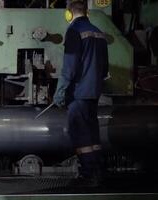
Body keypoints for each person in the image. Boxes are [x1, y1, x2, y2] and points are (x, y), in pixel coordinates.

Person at [53, 0, 109, 186]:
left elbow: (69, 67)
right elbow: (104, 69)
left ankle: (87, 175)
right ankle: (99, 172)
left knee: (80, 135)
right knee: (93, 134)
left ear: (69, 13)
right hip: (94, 92)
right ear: (87, 12)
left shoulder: (74, 31)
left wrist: (60, 92)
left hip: (78, 93)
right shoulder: (99, 33)